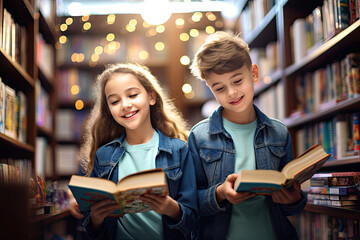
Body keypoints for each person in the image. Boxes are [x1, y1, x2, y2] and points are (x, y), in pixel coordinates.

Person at [188, 31, 306, 240]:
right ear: (210, 88)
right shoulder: (199, 136)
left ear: (253, 73)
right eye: (220, 88)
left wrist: (293, 199)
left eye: (237, 81)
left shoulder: (279, 132)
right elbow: (190, 204)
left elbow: (292, 209)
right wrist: (221, 193)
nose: (232, 93)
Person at [80, 63, 197, 239]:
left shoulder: (179, 150)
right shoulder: (103, 156)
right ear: (109, 110)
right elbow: (93, 230)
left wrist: (170, 208)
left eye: (132, 95)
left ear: (151, 97)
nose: (125, 105)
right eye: (115, 101)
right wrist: (96, 217)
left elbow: (193, 220)